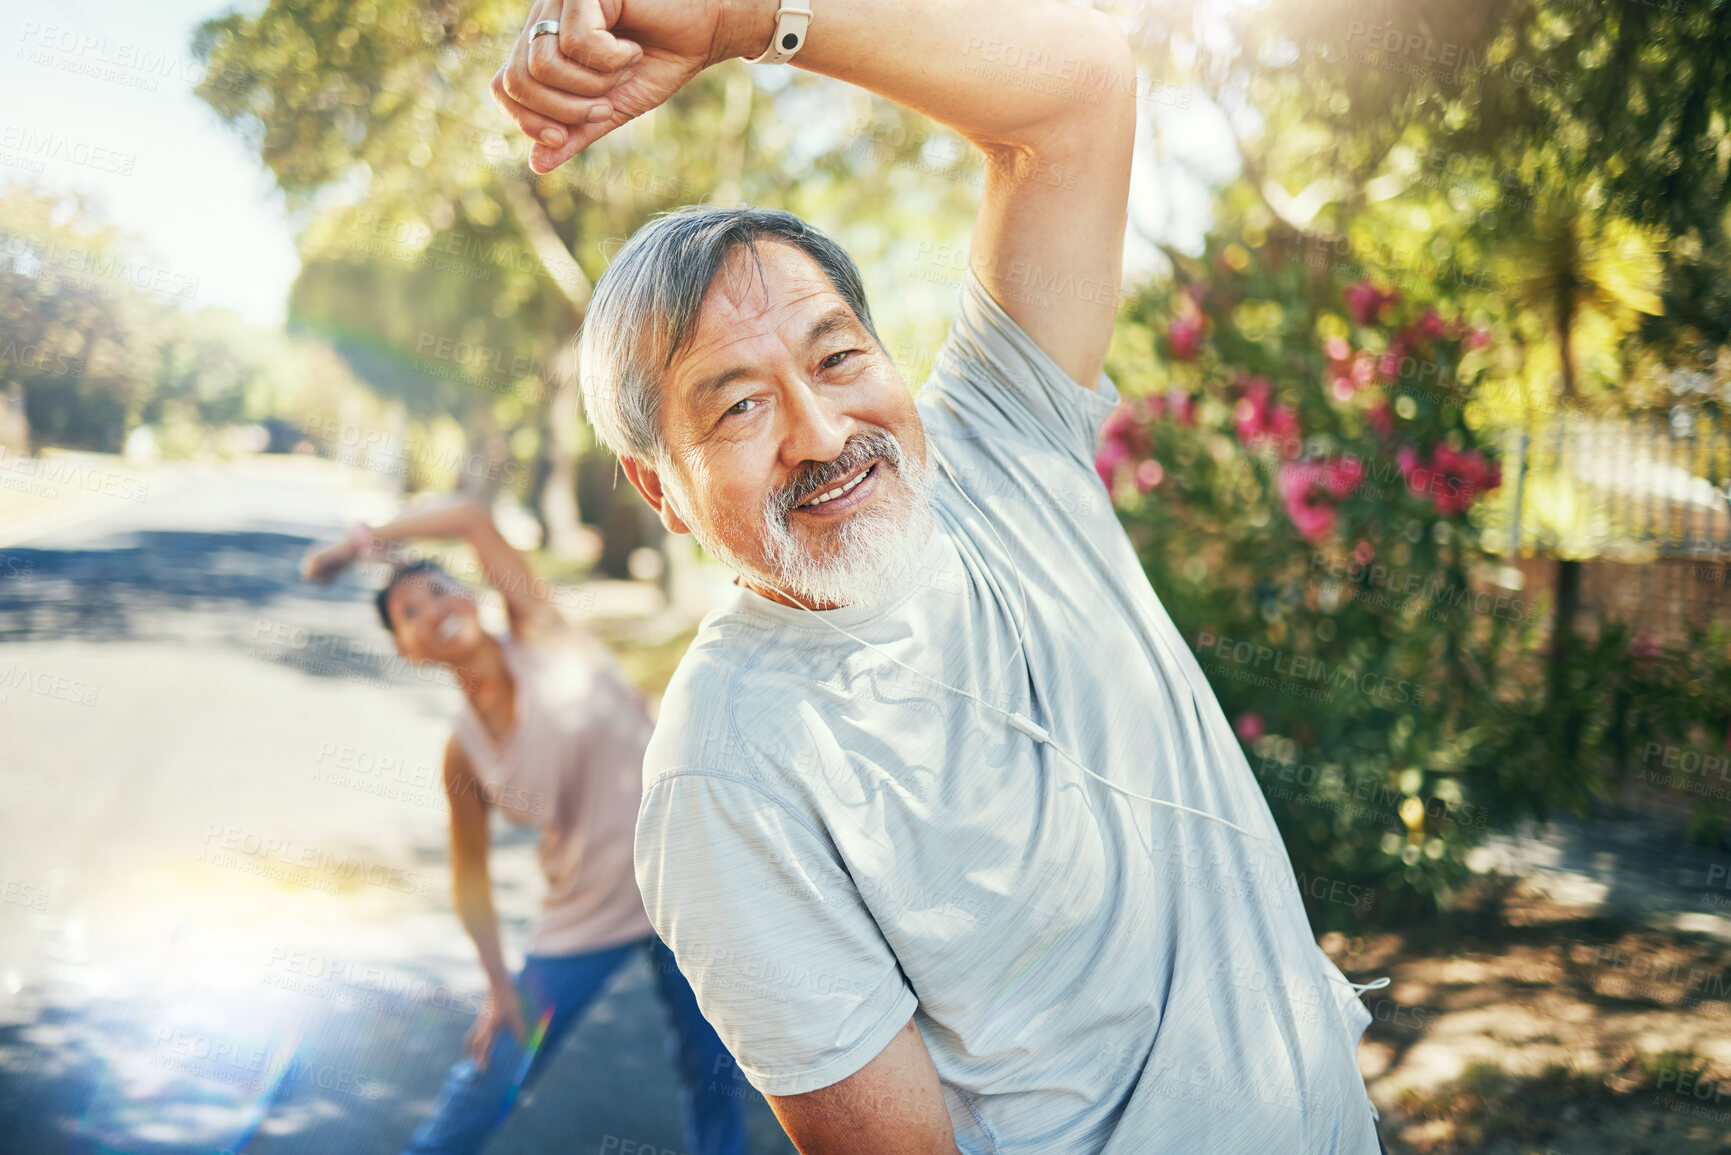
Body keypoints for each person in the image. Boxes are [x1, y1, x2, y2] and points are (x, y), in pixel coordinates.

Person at [492, 1, 1391, 1152]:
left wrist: (742, 17)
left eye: (837, 356)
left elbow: (1079, 92)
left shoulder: (1003, 449)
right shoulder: (726, 775)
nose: (820, 432)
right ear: (660, 489)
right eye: (740, 405)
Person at [300, 495, 749, 1155]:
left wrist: (359, 542)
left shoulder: (539, 628)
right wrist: (496, 984)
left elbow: (471, 519)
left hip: (682, 877)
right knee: (495, 1064)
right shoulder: (463, 749)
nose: (432, 610)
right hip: (584, 909)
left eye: (437, 590)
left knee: (712, 1067)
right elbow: (470, 876)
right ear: (406, 648)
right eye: (410, 613)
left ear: (469, 593)